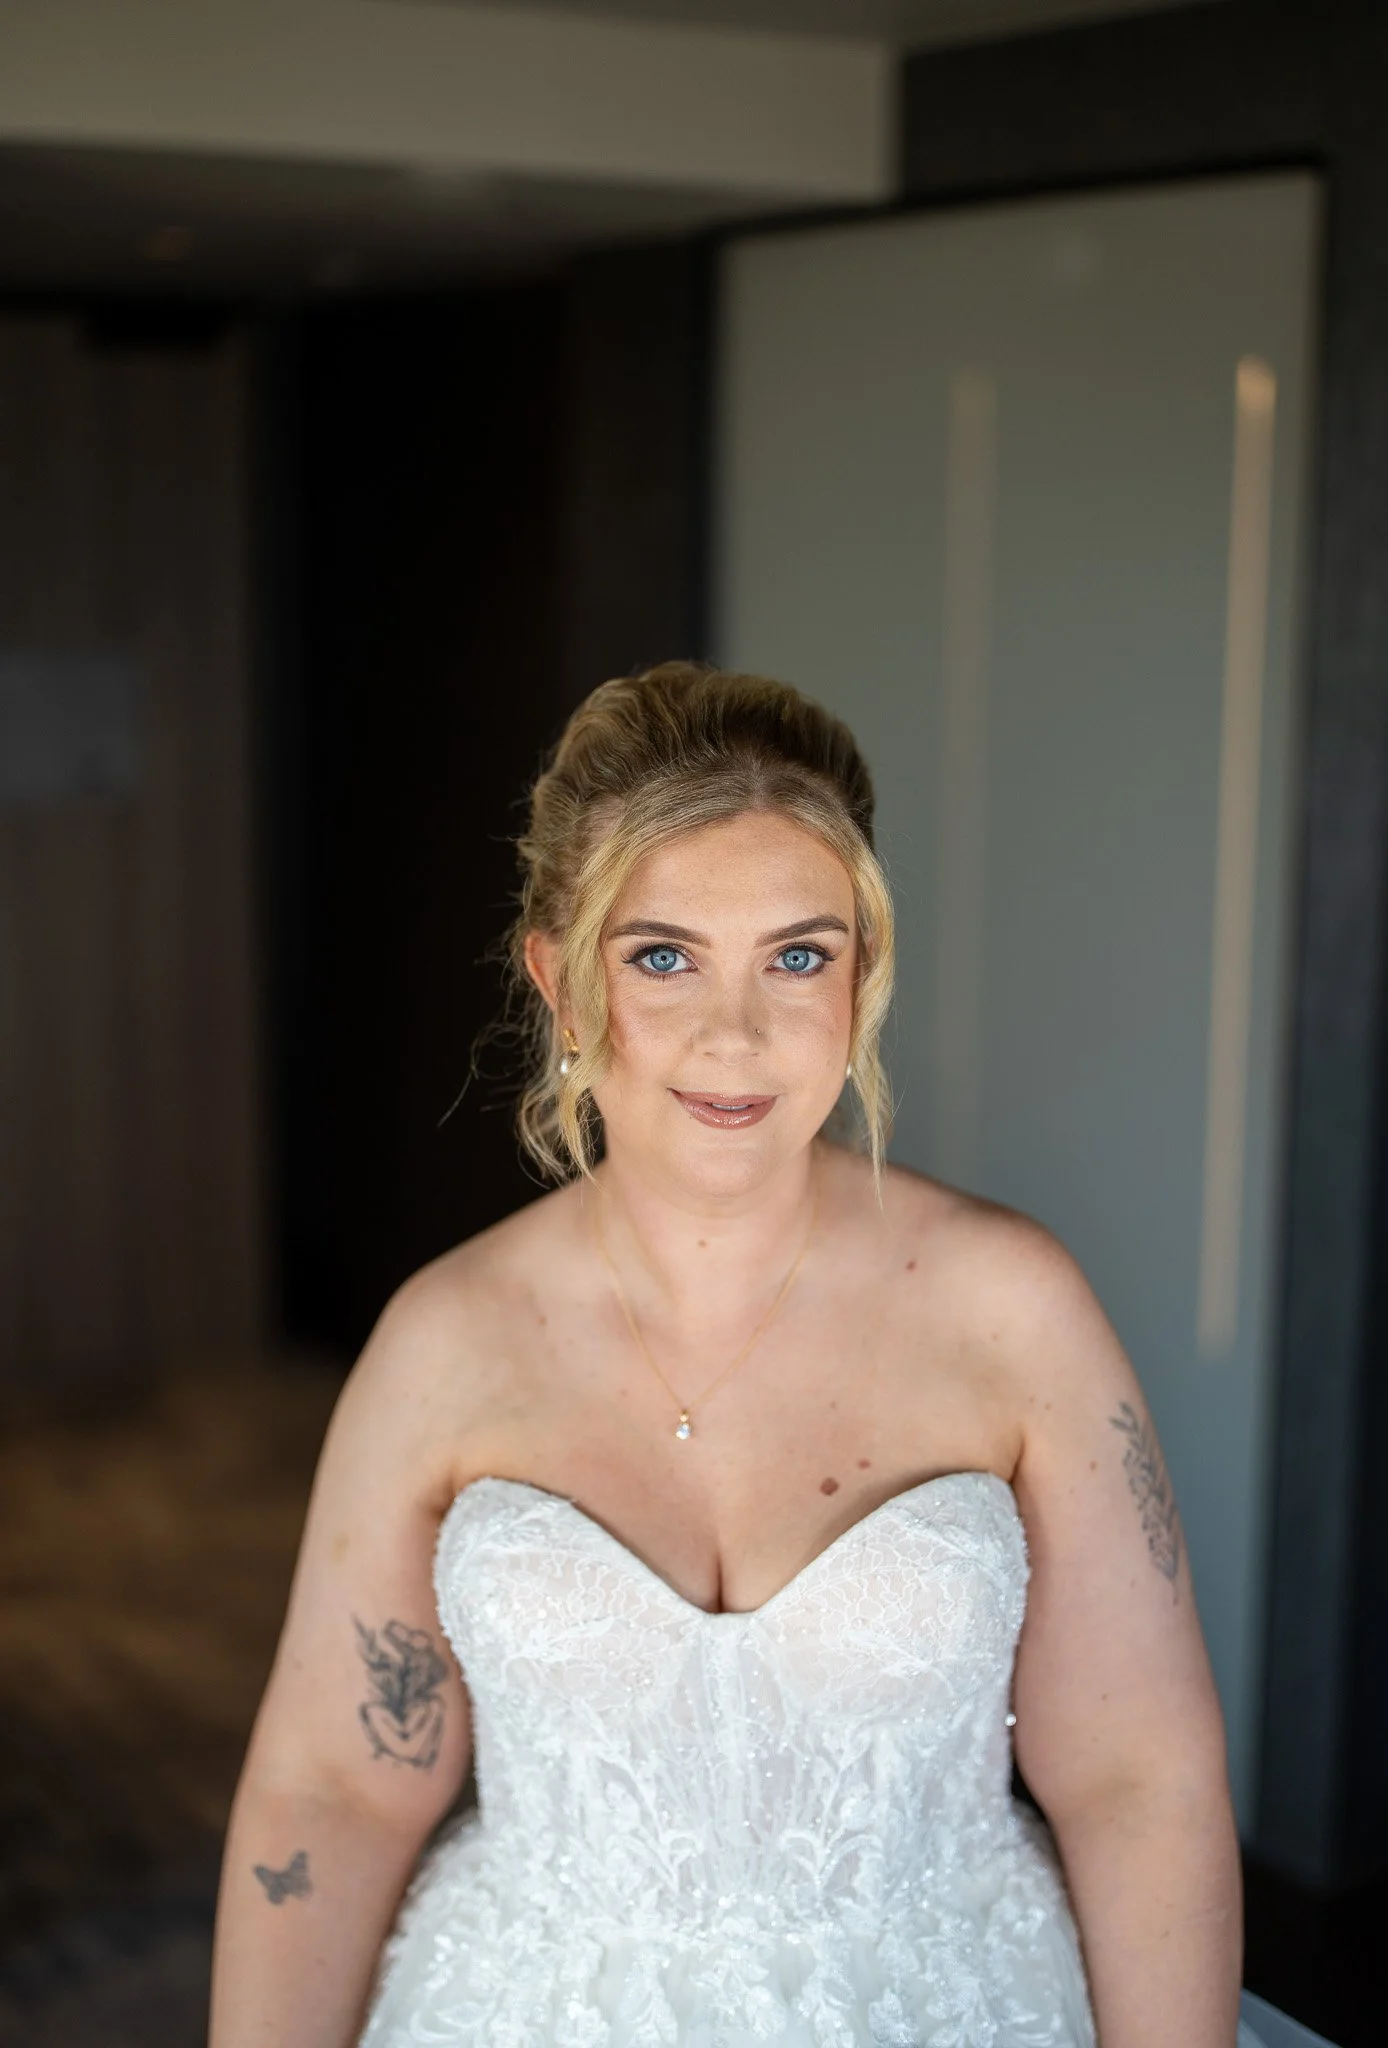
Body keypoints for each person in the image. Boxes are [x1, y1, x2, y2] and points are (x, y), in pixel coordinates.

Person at [209, 663, 1319, 2048]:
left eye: (799, 956)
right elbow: (334, 1787)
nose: (734, 1035)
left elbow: (1139, 1777)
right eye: (662, 956)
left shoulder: (1013, 1307)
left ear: (861, 979)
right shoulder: (443, 1341)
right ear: (560, 979)